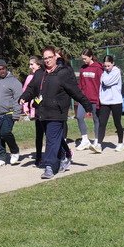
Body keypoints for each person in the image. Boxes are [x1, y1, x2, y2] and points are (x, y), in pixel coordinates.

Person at [19, 47, 92, 179]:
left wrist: (87, 105)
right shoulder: (40, 74)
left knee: (51, 140)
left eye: (49, 57)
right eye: (45, 58)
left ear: (55, 58)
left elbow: (75, 91)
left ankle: (49, 167)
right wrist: (24, 97)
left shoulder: (62, 73)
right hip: (42, 112)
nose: (47, 60)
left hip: (57, 112)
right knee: (55, 138)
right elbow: (31, 89)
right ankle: (66, 154)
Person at [0, 59, 22, 167]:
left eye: (4, 68)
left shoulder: (14, 82)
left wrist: (16, 113)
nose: (2, 71)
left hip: (8, 113)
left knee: (5, 132)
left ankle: (14, 150)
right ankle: (1, 156)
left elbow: (18, 99)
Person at [75, 49, 103, 151]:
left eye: (85, 58)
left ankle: (96, 141)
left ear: (91, 57)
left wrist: (100, 98)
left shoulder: (98, 69)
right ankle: (85, 140)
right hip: (84, 99)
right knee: (79, 116)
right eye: (82, 58)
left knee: (96, 119)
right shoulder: (82, 69)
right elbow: (81, 84)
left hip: (96, 99)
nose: (83, 60)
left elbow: (101, 84)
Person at [95, 55, 124, 151]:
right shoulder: (104, 73)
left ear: (113, 63)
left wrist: (103, 79)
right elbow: (102, 83)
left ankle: (120, 143)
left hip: (116, 101)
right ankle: (99, 144)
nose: (107, 68)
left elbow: (106, 82)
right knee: (102, 123)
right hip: (105, 101)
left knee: (117, 123)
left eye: (109, 66)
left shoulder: (116, 72)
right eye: (105, 66)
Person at [21, 56, 45, 166]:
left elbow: (42, 93)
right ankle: (39, 157)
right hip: (37, 110)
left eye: (32, 64)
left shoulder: (43, 74)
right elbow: (28, 89)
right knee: (39, 134)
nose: (30, 67)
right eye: (29, 64)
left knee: (51, 134)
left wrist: (36, 102)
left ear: (38, 64)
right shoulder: (32, 76)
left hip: (46, 109)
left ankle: (64, 152)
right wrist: (24, 101)